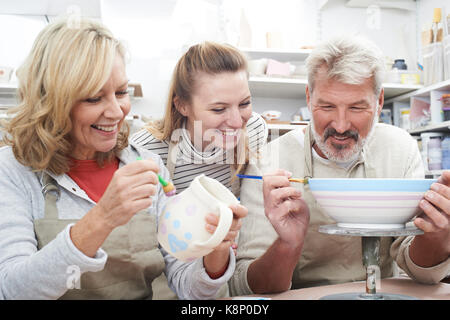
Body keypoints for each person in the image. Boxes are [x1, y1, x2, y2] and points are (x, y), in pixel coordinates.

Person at [0, 17, 247, 300]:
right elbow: (12, 291)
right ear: (51, 101)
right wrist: (102, 218)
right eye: (94, 98)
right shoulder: (12, 171)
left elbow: (187, 287)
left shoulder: (146, 165)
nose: (117, 112)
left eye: (121, 92)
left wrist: (215, 249)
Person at [229, 35, 449, 295]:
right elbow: (245, 285)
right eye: (327, 106)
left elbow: (421, 273)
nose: (341, 126)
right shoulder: (268, 162)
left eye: (357, 107)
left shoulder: (400, 149)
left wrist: (438, 235)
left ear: (379, 103)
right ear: (309, 98)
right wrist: (288, 244)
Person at [131, 41, 268, 197]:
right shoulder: (145, 151)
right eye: (219, 109)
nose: (237, 122)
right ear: (183, 105)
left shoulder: (254, 129)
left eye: (244, 103)